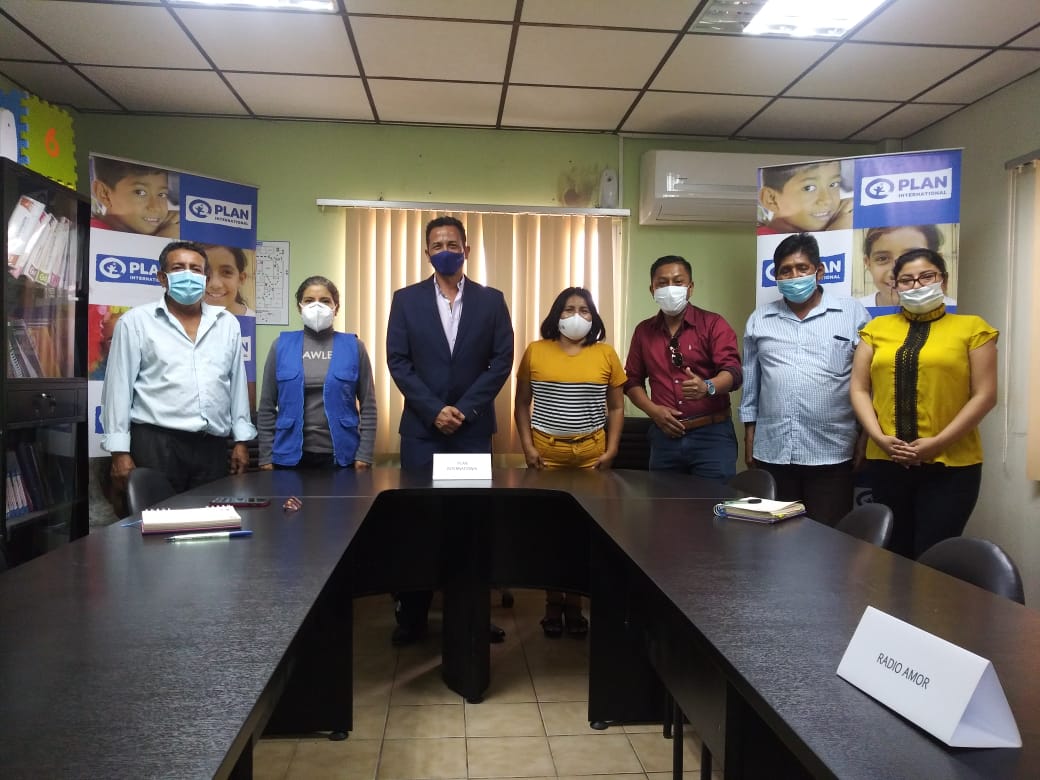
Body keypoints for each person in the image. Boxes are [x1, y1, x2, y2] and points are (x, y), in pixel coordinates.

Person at [386, 216, 514, 646]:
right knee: (419, 524)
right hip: (423, 432)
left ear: (466, 250)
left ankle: (473, 614)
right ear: (427, 253)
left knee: (471, 524)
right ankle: (413, 616)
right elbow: (398, 361)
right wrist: (433, 410)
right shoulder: (405, 300)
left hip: (471, 432)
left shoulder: (491, 301)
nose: (445, 250)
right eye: (437, 244)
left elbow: (501, 361)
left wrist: (464, 409)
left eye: (452, 244)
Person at [850, 249, 997, 558]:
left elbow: (985, 395)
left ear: (943, 280)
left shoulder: (973, 329)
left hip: (951, 464)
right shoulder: (875, 329)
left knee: (933, 555)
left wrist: (937, 444)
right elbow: (860, 389)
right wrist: (879, 438)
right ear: (895, 285)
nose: (917, 285)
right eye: (907, 280)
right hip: (887, 458)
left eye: (926, 276)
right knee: (892, 553)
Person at [100, 241, 256, 495]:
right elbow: (118, 389)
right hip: (156, 443)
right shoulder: (135, 322)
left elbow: (236, 384)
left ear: (206, 278)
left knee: (211, 516)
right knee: (156, 516)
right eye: (178, 268)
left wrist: (241, 441)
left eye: (196, 269)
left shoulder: (227, 323)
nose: (188, 275)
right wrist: (119, 452)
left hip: (211, 446)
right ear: (162, 277)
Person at [514, 287, 626, 638]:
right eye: (568, 309)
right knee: (551, 533)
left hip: (592, 455)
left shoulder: (606, 354)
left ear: (594, 317)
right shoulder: (536, 351)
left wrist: (612, 450)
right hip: (545, 456)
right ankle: (552, 604)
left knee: (582, 532)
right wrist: (527, 447)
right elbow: (521, 404)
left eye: (584, 310)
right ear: (555, 315)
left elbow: (617, 407)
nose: (576, 315)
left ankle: (575, 605)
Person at [740, 234, 870, 525]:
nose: (794, 276)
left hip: (833, 452)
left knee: (828, 538)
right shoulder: (760, 319)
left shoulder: (852, 315)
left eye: (802, 268)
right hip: (774, 451)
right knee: (776, 537)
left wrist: (865, 438)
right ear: (776, 276)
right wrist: (749, 437)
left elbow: (868, 383)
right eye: (785, 270)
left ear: (819, 271)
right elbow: (751, 384)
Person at [624, 255, 742, 482]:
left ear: (690, 288)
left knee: (714, 500)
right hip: (664, 436)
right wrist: (653, 411)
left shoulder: (713, 324)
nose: (670, 289)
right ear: (652, 289)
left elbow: (734, 372)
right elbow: (631, 381)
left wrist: (707, 387)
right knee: (665, 502)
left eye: (678, 282)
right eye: (662, 283)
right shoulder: (643, 331)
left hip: (712, 436)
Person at [257, 276, 376, 471]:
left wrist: (364, 454)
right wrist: (266, 456)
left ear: (336, 308)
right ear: (300, 307)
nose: (317, 306)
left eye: (325, 301)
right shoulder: (281, 346)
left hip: (342, 456)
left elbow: (369, 406)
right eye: (309, 300)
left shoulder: (354, 347)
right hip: (288, 457)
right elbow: (267, 406)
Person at [855, 225, 957, 308]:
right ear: (868, 263)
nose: (895, 273)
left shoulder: (957, 310)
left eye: (912, 257)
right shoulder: (856, 312)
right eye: (882, 258)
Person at [757, 159, 852, 234]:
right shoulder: (763, 238)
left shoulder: (839, 221)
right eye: (809, 188)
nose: (827, 200)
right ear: (771, 199)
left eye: (834, 184)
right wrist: (835, 235)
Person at [90, 158, 180, 237]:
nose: (156, 207)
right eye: (140, 192)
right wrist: (161, 241)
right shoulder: (95, 232)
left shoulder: (159, 229)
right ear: (104, 194)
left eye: (162, 194)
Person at [204, 245, 256, 316]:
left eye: (226, 272)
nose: (215, 284)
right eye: (204, 271)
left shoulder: (253, 318)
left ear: (240, 279)